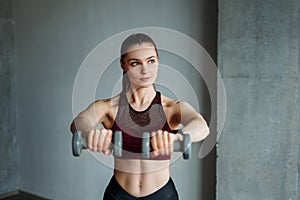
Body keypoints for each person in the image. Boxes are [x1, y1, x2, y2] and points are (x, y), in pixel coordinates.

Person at [70, 33, 210, 200]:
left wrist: (177, 138)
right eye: (135, 63)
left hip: (162, 195)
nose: (145, 70)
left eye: (151, 61)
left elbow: (201, 126)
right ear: (123, 65)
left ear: (158, 61)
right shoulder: (109, 107)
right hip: (119, 195)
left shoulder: (172, 108)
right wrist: (89, 134)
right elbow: (79, 122)